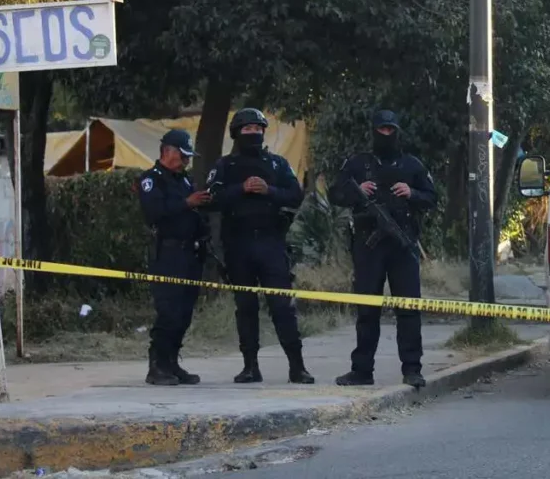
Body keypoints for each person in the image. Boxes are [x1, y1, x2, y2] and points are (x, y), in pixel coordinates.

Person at [327, 109, 438, 388]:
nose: (386, 135)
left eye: (391, 130)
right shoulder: (357, 164)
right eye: (382, 130)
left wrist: (412, 193)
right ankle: (361, 370)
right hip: (368, 245)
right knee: (367, 309)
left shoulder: (412, 165)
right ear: (374, 131)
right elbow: (335, 193)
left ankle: (412, 369)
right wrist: (358, 190)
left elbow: (432, 198)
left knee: (408, 308)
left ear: (397, 131)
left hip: (403, 246)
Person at [205, 108, 313, 384]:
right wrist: (240, 189)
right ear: (236, 134)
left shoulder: (277, 164)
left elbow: (295, 195)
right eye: (247, 130)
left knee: (282, 307)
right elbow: (211, 199)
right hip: (238, 245)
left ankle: (297, 367)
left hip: (271, 243)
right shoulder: (224, 166)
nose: (253, 134)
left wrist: (269, 191)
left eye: (257, 129)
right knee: (246, 307)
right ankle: (250, 366)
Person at [138, 129, 212, 386]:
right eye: (183, 156)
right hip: (167, 254)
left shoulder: (183, 180)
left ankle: (171, 363)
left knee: (184, 312)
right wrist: (187, 203)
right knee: (168, 311)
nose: (186, 162)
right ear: (167, 151)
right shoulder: (152, 179)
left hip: (189, 254)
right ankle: (156, 366)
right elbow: (153, 212)